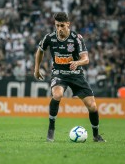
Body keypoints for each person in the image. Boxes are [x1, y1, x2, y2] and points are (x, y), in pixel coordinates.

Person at [34, 12, 105, 142]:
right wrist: (36, 69)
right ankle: (51, 130)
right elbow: (40, 51)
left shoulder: (76, 38)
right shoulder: (49, 37)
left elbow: (86, 59)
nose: (59, 28)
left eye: (62, 25)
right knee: (57, 95)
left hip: (77, 75)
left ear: (68, 24)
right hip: (59, 74)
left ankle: (96, 135)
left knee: (93, 106)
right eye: (57, 26)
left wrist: (77, 62)